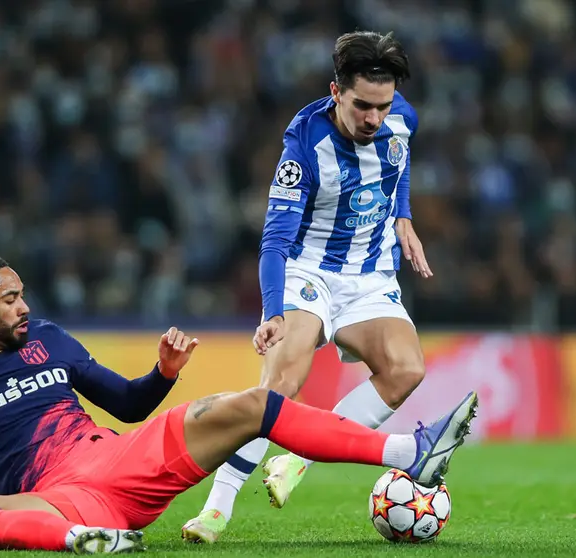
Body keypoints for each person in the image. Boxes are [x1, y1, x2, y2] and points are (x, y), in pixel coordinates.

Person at [0, 254, 477, 554]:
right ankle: (84, 540)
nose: (23, 307)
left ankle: (409, 452)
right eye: (11, 299)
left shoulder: (48, 340)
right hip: (56, 494)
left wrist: (163, 373)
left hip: (122, 456)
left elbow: (127, 405)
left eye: (22, 296)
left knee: (251, 403)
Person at [184, 30, 434, 543]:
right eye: (362, 106)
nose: (373, 119)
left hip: (370, 274)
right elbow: (274, 239)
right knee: (284, 379)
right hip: (309, 267)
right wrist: (272, 312)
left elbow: (398, 159)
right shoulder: (304, 145)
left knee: (407, 368)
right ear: (335, 91)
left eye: (382, 107)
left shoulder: (399, 115)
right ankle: (217, 508)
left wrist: (403, 213)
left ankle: (298, 457)